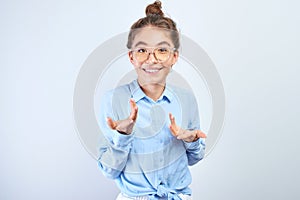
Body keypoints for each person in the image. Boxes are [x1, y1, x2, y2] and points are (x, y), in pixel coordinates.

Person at [97, 1, 206, 199]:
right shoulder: (114, 100)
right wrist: (122, 135)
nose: (151, 59)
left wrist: (191, 140)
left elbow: (194, 158)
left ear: (174, 57)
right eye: (142, 50)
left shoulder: (186, 100)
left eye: (162, 50)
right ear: (131, 57)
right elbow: (108, 171)